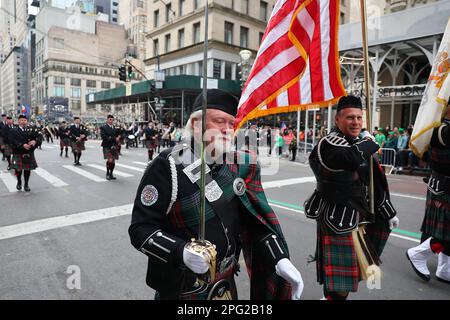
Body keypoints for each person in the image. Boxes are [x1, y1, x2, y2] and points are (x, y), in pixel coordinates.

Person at [129, 89, 304, 300]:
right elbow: (141, 229)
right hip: (183, 289)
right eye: (219, 121)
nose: (227, 130)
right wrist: (180, 251)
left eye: (231, 124)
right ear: (196, 125)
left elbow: (253, 223)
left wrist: (279, 258)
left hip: (226, 283)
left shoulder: (236, 164)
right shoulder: (168, 166)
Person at [304, 95, 399, 300]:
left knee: (349, 277)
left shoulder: (357, 142)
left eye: (359, 117)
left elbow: (373, 182)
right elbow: (349, 158)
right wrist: (369, 144)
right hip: (337, 217)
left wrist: (388, 211)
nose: (356, 122)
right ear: (337, 120)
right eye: (350, 118)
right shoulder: (330, 143)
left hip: (357, 216)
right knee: (340, 284)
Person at [406, 100, 450, 284]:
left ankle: (445, 268)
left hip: (441, 183)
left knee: (446, 232)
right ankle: (418, 253)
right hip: (444, 184)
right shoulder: (441, 130)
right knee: (446, 233)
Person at [8, 115, 42, 192]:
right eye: (21, 120)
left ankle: (26, 184)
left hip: (28, 152)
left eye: (25, 120)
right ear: (18, 121)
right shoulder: (13, 130)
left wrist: (35, 141)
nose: (23, 122)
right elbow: (11, 140)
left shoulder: (31, 129)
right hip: (18, 152)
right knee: (18, 169)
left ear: (27, 121)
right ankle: (19, 181)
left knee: (27, 170)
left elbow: (40, 136)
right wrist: (22, 145)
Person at [100, 115, 120, 180]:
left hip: (114, 145)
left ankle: (111, 173)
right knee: (110, 160)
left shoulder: (115, 128)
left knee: (113, 161)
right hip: (107, 145)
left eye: (112, 119)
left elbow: (118, 135)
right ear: (107, 120)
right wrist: (114, 138)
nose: (111, 121)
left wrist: (119, 137)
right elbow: (104, 137)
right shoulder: (103, 127)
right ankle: (107, 173)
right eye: (110, 119)